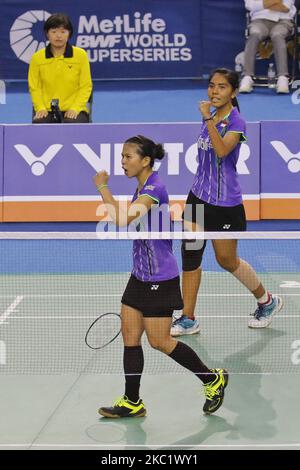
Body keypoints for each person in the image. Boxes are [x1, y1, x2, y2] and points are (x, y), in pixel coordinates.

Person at [93, 135, 228, 418]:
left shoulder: (154, 188)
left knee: (160, 341)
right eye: (122, 156)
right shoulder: (142, 186)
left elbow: (122, 219)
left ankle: (211, 378)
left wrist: (102, 187)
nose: (123, 162)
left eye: (128, 157)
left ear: (145, 161)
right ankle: (132, 401)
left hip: (160, 277)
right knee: (130, 336)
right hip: (139, 275)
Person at [171, 68, 283, 337]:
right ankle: (188, 318)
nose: (214, 91)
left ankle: (267, 301)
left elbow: (221, 151)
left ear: (233, 92)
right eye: (212, 86)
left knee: (226, 260)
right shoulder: (210, 116)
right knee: (190, 255)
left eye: (222, 87)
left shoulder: (237, 122)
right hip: (197, 198)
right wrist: (209, 118)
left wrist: (208, 118)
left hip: (225, 205)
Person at [28, 13, 92, 123]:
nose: (58, 36)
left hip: (74, 109)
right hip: (46, 110)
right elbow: (34, 87)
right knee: (40, 123)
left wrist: (75, 108)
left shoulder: (81, 55)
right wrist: (40, 108)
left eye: (63, 32)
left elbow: (86, 86)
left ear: (69, 34)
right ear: (47, 34)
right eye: (54, 32)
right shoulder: (37, 58)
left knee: (72, 123)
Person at [239, 0, 296, 94]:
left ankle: (283, 78)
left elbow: (286, 7)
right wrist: (276, 1)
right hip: (258, 21)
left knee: (277, 35)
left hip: (283, 21)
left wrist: (263, 4)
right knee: (254, 34)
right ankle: (247, 77)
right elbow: (250, 5)